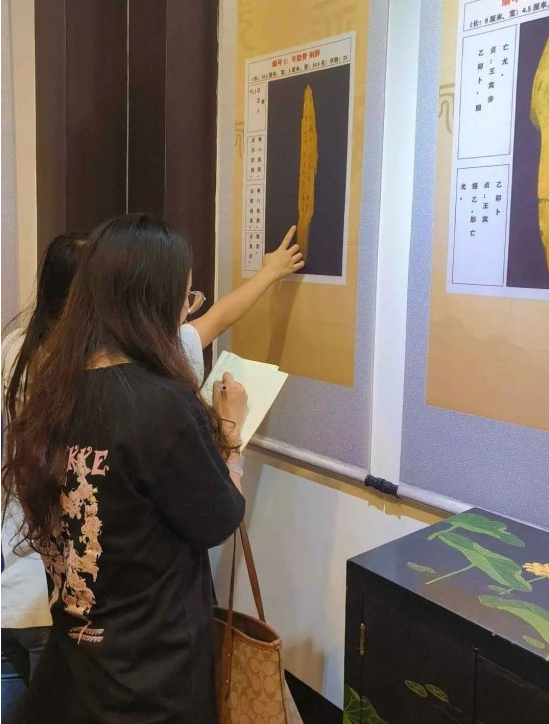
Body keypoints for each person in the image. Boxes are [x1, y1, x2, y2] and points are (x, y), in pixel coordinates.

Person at [2, 214, 247, 724]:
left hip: (79, 665)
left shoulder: (52, 388)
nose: (185, 311)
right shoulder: (161, 405)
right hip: (151, 678)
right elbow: (220, 518)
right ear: (150, 303)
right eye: (184, 298)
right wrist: (231, 429)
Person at [1, 232, 89, 724]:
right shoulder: (82, 365)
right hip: (50, 588)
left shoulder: (15, 347)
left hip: (13, 571)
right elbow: (198, 333)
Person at [180, 225, 304, 384]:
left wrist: (270, 271)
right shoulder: (174, 352)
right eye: (187, 294)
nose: (189, 305)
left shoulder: (172, 343)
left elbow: (219, 318)